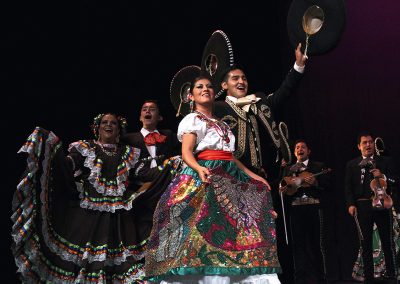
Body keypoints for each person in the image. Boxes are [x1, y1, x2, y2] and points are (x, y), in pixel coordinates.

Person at [145, 76, 281, 283]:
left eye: (209, 86)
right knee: (203, 228)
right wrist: (199, 168)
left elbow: (231, 157)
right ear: (191, 96)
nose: (205, 89)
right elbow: (187, 152)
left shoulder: (223, 125)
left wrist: (254, 176)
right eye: (199, 87)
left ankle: (236, 272)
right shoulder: (193, 119)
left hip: (229, 174)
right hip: (208, 173)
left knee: (233, 229)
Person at [11, 113, 157, 283]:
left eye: (113, 123)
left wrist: (170, 166)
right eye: (104, 123)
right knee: (85, 265)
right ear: (97, 128)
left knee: (120, 267)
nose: (108, 125)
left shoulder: (128, 153)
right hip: (89, 216)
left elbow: (143, 173)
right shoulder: (86, 148)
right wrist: (51, 149)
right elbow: (68, 166)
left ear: (119, 130)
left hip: (119, 219)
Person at [213, 43, 307, 183]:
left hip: (262, 175)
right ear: (224, 85)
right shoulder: (217, 108)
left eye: (244, 78)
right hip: (232, 174)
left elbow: (284, 92)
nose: (241, 81)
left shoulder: (258, 101)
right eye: (235, 78)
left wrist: (298, 65)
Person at [345, 132, 399, 283]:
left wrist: (383, 176)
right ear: (359, 146)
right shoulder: (352, 164)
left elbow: (396, 180)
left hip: (381, 203)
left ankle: (392, 276)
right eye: (364, 143)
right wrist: (351, 204)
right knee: (365, 243)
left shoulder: (385, 161)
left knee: (387, 242)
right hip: (362, 206)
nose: (368, 145)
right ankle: (368, 278)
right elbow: (348, 187)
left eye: (370, 142)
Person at [280, 139, 330, 283]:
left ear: (308, 151)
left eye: (303, 147)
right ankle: (300, 280)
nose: (300, 149)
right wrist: (283, 189)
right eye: (297, 147)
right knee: (298, 247)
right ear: (295, 152)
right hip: (296, 210)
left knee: (317, 245)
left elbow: (329, 184)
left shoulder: (318, 167)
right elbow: (282, 185)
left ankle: (321, 279)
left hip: (313, 208)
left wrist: (316, 182)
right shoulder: (289, 169)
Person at [123, 100, 180, 171]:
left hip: (165, 179)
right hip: (140, 179)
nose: (147, 111)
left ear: (159, 117)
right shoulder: (129, 139)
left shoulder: (168, 135)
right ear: (140, 118)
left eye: (152, 109)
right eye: (144, 109)